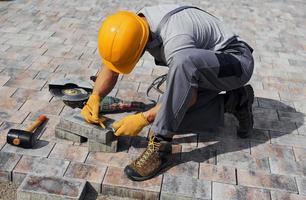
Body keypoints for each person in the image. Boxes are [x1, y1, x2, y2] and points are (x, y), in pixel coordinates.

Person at [81, 4, 254, 181]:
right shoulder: (133, 25)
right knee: (170, 115)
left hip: (235, 62)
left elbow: (188, 96)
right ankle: (236, 100)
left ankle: (160, 148)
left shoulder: (175, 38)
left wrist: (144, 118)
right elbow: (113, 63)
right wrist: (95, 97)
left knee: (167, 115)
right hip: (207, 63)